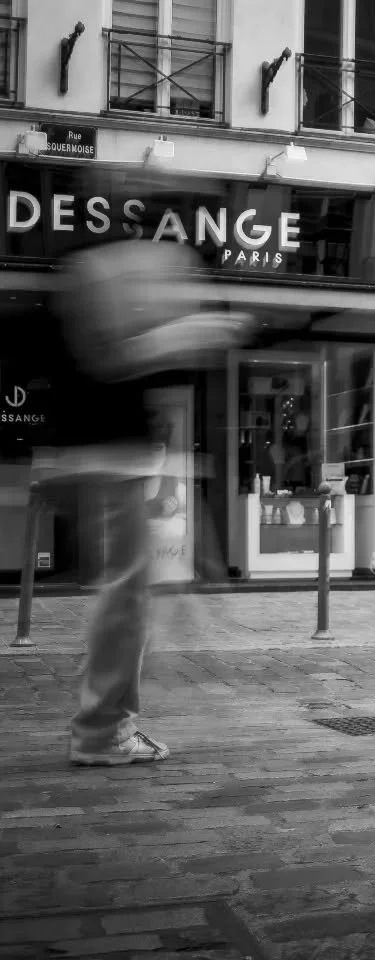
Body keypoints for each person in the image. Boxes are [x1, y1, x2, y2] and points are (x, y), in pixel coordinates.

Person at [32, 178, 251, 767]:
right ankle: (102, 730)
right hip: (107, 454)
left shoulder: (91, 259)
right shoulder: (98, 265)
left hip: (112, 453)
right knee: (125, 601)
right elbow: (109, 357)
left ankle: (109, 723)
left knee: (129, 597)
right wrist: (185, 333)